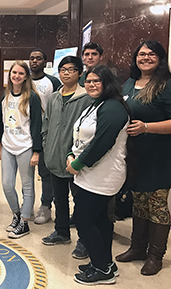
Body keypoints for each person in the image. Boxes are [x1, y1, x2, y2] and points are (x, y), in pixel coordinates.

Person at [115, 40, 171, 276]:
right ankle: (137, 247)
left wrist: (147, 127)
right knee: (139, 200)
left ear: (160, 58)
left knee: (157, 203)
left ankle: (155, 256)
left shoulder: (169, 86)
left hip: (162, 154)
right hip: (138, 153)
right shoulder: (130, 82)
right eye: (141, 54)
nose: (145, 58)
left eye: (151, 54)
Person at [64, 65, 130, 285]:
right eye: (88, 81)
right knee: (100, 219)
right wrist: (71, 154)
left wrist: (79, 164)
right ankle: (104, 263)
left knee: (84, 220)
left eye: (96, 81)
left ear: (108, 82)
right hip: (87, 173)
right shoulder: (96, 104)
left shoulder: (114, 108)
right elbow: (81, 136)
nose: (91, 85)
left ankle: (102, 270)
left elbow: (102, 143)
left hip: (102, 175)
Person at [41, 56, 93, 259]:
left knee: (81, 202)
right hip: (54, 157)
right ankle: (62, 232)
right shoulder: (54, 97)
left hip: (76, 161)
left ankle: (84, 240)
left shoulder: (86, 97)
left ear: (80, 73)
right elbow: (46, 125)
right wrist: (46, 146)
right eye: (62, 69)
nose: (66, 73)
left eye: (71, 70)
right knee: (59, 199)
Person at [0, 61, 42, 239]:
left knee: (27, 185)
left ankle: (24, 222)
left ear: (26, 76)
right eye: (14, 72)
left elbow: (37, 125)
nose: (16, 76)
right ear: (10, 74)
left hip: (25, 146)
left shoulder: (32, 97)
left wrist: (36, 151)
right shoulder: (5, 96)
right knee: (7, 184)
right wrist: (0, 146)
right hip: (8, 145)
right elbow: (1, 123)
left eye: (21, 73)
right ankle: (16, 214)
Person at [29, 48, 62, 225]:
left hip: (46, 134)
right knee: (27, 173)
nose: (34, 61)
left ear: (45, 62)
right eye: (32, 58)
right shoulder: (23, 79)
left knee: (45, 172)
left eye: (38, 58)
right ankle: (27, 204)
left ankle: (46, 205)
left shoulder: (53, 82)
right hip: (25, 134)